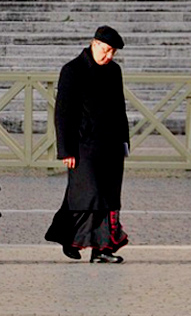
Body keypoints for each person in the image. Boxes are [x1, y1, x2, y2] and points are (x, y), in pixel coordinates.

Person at [45, 25, 130, 264]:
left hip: (111, 145)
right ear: (94, 44)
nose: (109, 56)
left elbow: (119, 108)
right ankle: (80, 240)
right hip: (83, 146)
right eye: (106, 50)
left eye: (113, 52)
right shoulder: (72, 70)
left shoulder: (114, 71)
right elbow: (63, 113)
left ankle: (100, 248)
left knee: (108, 196)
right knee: (89, 194)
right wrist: (66, 149)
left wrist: (124, 140)